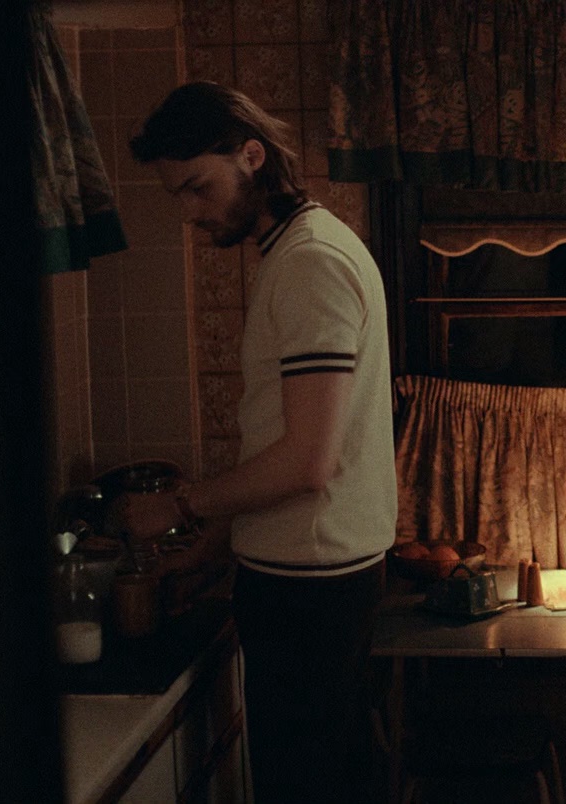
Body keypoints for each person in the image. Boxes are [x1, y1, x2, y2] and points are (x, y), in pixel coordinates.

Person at [119, 81, 395, 803]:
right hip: (316, 577)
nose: (189, 213)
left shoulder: (308, 264)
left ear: (251, 156)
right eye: (178, 195)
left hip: (311, 590)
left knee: (307, 788)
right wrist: (220, 541)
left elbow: (307, 462)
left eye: (198, 188)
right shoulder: (301, 250)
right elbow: (287, 437)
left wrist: (180, 505)